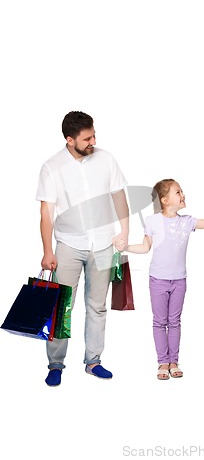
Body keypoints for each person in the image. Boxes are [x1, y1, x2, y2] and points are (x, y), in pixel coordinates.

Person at [36, 111, 129, 386]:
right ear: (69, 139)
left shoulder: (106, 158)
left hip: (103, 243)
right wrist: (47, 251)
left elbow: (119, 196)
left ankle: (93, 361)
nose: (93, 141)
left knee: (97, 307)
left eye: (94, 135)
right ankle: (55, 364)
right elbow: (45, 213)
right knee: (61, 307)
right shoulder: (51, 167)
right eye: (87, 138)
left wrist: (124, 232)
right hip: (68, 245)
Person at [114, 179, 204, 380]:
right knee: (160, 322)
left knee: (174, 321)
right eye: (178, 192)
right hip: (158, 280)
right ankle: (162, 362)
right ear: (165, 200)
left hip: (179, 281)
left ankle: (174, 361)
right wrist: (126, 248)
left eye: (182, 191)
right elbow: (145, 247)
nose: (183, 194)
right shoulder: (152, 221)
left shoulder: (187, 222)